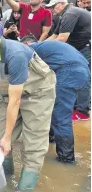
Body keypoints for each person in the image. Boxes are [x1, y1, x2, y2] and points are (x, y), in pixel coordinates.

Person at [0, 14, 56, 190]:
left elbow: (16, 102)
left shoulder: (15, 54)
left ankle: (24, 188)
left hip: (38, 93)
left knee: (33, 146)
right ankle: (4, 180)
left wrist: (9, 137)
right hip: (8, 93)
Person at [21, 35, 89, 164]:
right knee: (53, 106)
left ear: (27, 44)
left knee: (61, 116)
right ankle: (51, 138)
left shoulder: (31, 49)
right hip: (81, 70)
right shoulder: (47, 47)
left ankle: (66, 158)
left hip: (69, 71)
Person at [46, 0, 91, 120]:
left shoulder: (70, 14)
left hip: (84, 48)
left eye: (53, 7)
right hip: (78, 49)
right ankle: (77, 107)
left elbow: (62, 38)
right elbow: (54, 36)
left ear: (61, 4)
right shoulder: (65, 15)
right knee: (77, 76)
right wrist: (38, 46)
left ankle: (82, 111)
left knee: (84, 77)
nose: (52, 10)